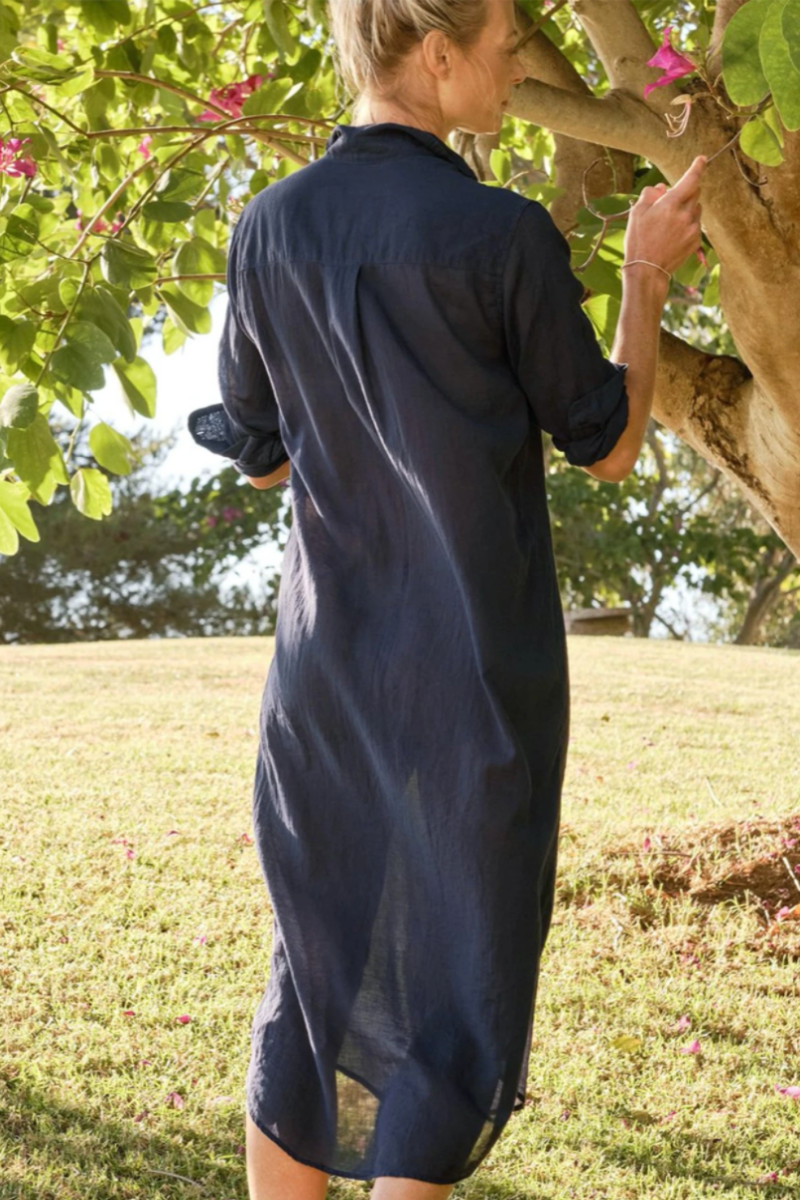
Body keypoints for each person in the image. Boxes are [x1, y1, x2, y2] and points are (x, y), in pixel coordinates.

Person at [188, 2, 706, 1197]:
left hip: (323, 687)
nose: (518, 66)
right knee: (456, 1001)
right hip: (474, 687)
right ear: (434, 55)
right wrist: (640, 275)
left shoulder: (265, 227)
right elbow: (606, 443)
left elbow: (261, 453)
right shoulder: (501, 236)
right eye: (503, 46)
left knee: (311, 987)